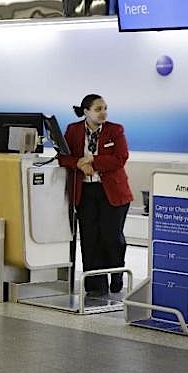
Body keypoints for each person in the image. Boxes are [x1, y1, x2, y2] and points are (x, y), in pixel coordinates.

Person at [58, 94, 133, 297]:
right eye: (98, 109)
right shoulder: (73, 130)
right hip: (85, 192)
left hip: (112, 192)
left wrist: (93, 160)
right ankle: (95, 285)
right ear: (86, 112)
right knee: (90, 238)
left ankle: (116, 273)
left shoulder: (115, 130)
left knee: (111, 236)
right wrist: (78, 163)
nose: (103, 113)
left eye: (105, 108)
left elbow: (120, 158)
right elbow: (63, 157)